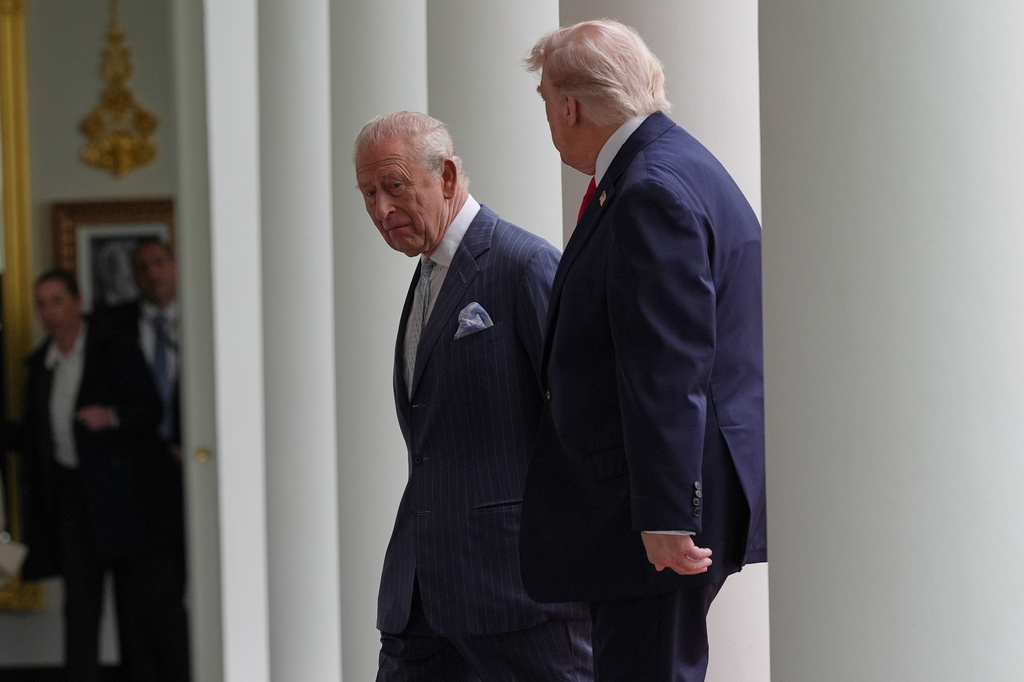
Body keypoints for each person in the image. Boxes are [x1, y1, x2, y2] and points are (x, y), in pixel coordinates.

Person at [518, 20, 768, 682]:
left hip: (651, 509)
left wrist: (664, 514)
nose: (548, 115)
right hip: (661, 496)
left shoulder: (650, 187)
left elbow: (669, 364)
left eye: (545, 99)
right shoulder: (676, 165)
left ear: (569, 106)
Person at [354, 111, 593, 681]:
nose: (380, 210)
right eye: (367, 192)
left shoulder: (525, 265)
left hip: (517, 598)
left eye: (394, 186)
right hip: (420, 598)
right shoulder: (428, 272)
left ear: (448, 176)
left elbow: (580, 425)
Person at [18, 269, 189, 682]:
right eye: (42, 304)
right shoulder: (43, 365)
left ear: (77, 302)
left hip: (123, 496)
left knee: (137, 610)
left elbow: (149, 410)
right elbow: (32, 434)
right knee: (80, 609)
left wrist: (110, 415)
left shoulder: (113, 345)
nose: (49, 312)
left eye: (57, 300)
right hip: (73, 497)